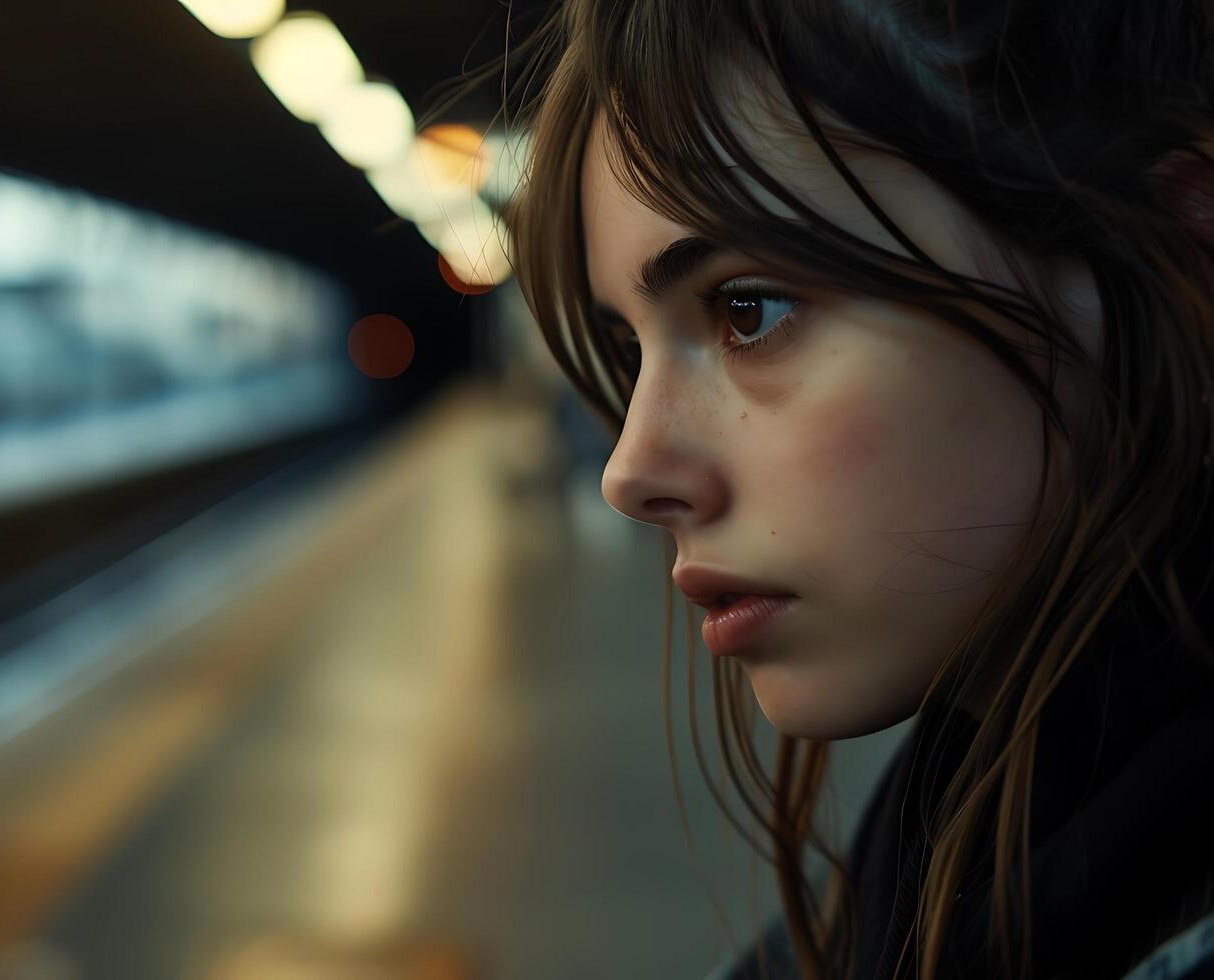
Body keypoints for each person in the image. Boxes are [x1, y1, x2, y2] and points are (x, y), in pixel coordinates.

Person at [502, 0, 1214, 977]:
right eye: (629, 349)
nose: (631, 472)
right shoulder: (952, 855)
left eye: (746, 308)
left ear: (1184, 253)